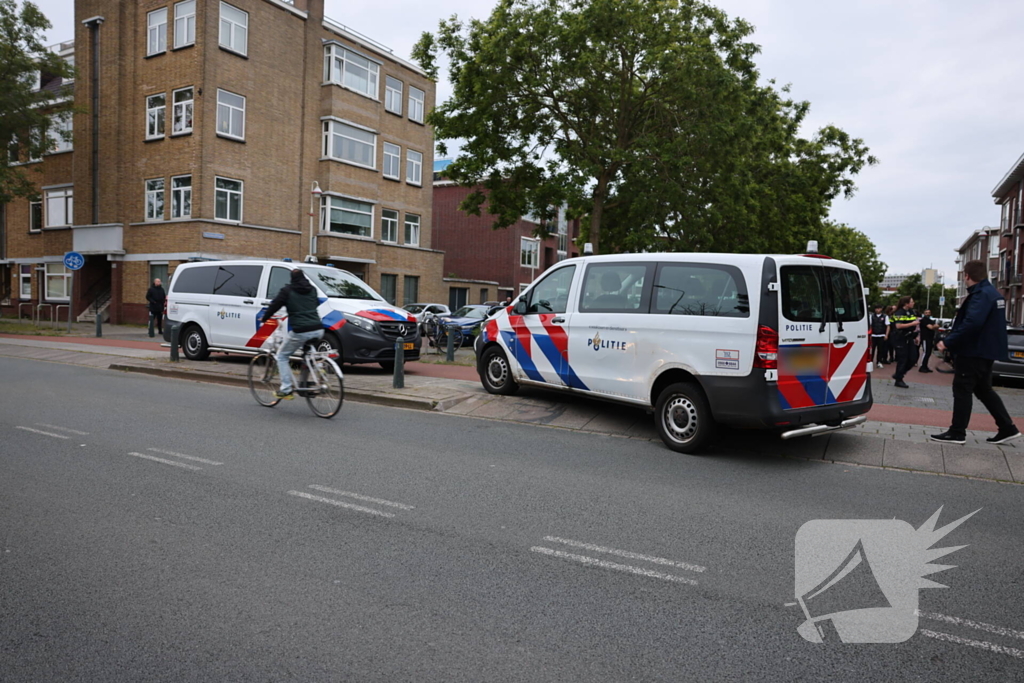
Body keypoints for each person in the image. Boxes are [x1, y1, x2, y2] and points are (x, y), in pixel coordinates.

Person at [931, 260, 1020, 445]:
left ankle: (957, 432)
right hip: (985, 352)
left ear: (967, 276)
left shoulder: (980, 295)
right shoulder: (993, 293)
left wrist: (947, 342)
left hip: (973, 352)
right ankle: (1007, 428)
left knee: (962, 389)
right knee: (983, 390)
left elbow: (972, 323)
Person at [258, 269, 324, 400]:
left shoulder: (287, 291)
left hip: (301, 330)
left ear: (291, 278)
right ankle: (319, 367)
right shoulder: (312, 289)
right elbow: (314, 304)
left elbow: (275, 305)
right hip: (318, 329)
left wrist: (265, 318)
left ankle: (286, 389)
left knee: (282, 356)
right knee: (308, 352)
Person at [890, 296, 919, 388]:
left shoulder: (911, 312)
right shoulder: (899, 313)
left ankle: (899, 374)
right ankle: (899, 379)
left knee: (913, 358)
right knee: (903, 359)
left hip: (909, 337)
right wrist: (913, 324)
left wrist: (916, 335)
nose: (913, 303)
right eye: (912, 302)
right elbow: (898, 326)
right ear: (906, 303)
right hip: (900, 338)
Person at [918, 309, 939, 373]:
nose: (928, 314)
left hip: (930, 338)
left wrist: (934, 326)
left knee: (929, 352)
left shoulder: (930, 320)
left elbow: (937, 326)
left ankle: (925, 366)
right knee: (926, 352)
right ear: (924, 313)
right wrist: (934, 326)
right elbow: (931, 327)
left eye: (929, 312)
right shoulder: (924, 320)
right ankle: (922, 366)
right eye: (926, 313)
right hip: (925, 338)